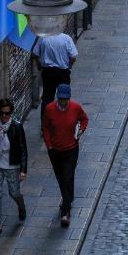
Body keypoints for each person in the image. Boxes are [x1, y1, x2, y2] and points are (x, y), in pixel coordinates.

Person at [43, 84, 88, 227]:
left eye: (66, 99)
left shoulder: (76, 107)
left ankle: (66, 211)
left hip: (71, 149)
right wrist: (49, 144)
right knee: (60, 177)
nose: (63, 102)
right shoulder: (49, 109)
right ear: (58, 97)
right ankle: (68, 197)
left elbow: (84, 119)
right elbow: (45, 127)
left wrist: (80, 130)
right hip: (55, 150)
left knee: (68, 176)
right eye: (61, 99)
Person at [0, 98, 28, 241]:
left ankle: (21, 206)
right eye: (2, 113)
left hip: (12, 166)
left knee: (14, 192)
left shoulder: (16, 127)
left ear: (11, 113)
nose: (4, 116)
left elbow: (23, 150)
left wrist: (23, 170)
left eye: (7, 114)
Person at [33, 31, 78, 121]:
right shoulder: (66, 38)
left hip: (48, 72)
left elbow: (35, 54)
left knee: (47, 98)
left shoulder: (43, 38)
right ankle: (64, 121)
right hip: (63, 72)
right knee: (64, 97)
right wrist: (69, 66)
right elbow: (73, 57)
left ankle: (45, 124)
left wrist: (39, 65)